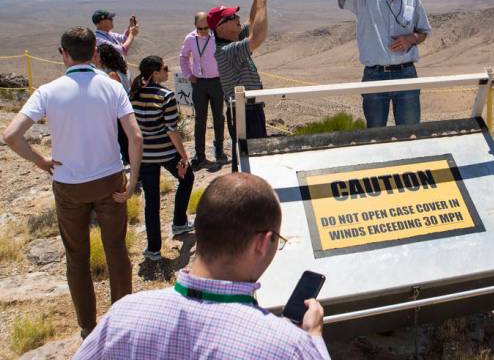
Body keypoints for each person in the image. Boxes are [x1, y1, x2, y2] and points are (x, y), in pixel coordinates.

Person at [74, 173, 330, 360]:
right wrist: (313, 338)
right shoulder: (290, 348)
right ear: (262, 243)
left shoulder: (123, 315)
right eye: (277, 240)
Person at [2, 26, 143, 338]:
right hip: (110, 180)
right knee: (116, 251)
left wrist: (40, 161)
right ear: (95, 52)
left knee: (76, 257)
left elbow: (11, 135)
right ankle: (121, 321)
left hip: (68, 184)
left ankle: (88, 327)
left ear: (63, 54)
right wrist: (133, 179)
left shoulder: (48, 91)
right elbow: (135, 136)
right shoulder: (112, 87)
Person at [305, 0, 432, 128]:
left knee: (410, 132)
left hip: (406, 74)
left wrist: (411, 38)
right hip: (375, 75)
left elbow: (423, 32)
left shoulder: (412, 0)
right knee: (376, 133)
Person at [130, 56, 194, 261]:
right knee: (187, 178)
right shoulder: (166, 96)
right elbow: (171, 130)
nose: (168, 71)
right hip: (166, 152)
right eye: (164, 68)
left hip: (145, 155)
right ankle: (179, 222)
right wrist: (183, 155)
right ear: (155, 73)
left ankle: (153, 249)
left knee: (151, 201)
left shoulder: (133, 94)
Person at [209, 0, 269, 171]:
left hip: (250, 110)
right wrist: (262, 1)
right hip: (244, 112)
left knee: (249, 159)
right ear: (220, 28)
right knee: (251, 162)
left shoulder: (231, 40)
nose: (237, 18)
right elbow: (258, 36)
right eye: (231, 17)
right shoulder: (227, 51)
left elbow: (251, 22)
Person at [179, 11, 227, 169]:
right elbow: (183, 57)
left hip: (216, 82)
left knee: (218, 118)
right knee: (200, 119)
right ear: (195, 26)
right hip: (199, 83)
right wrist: (188, 75)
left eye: (207, 28)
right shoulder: (190, 39)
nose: (204, 31)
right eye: (200, 28)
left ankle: (219, 151)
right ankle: (200, 155)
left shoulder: (216, 37)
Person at [95, 43, 132, 168]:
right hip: (124, 112)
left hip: (117, 114)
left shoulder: (111, 75)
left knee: (122, 143)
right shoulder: (123, 71)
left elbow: (112, 97)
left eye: (96, 55)